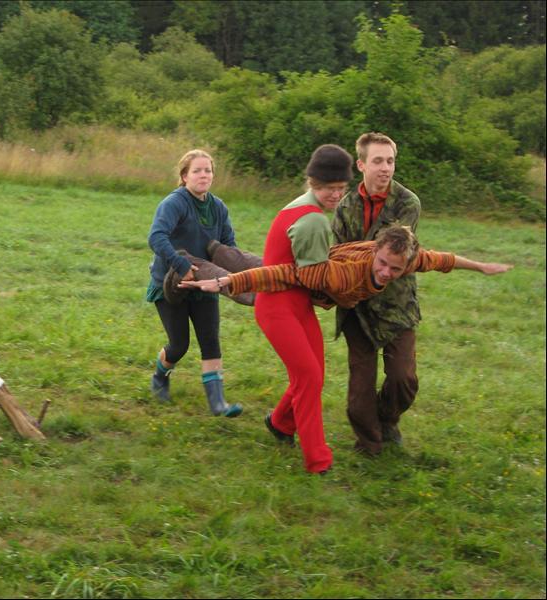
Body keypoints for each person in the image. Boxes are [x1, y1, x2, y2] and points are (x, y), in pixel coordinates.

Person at [233, 144, 355, 474]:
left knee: (313, 374)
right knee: (308, 378)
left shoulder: (304, 207)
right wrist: (349, 285)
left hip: (296, 304)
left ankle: (280, 423)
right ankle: (318, 460)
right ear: (313, 182)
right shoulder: (312, 220)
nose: (336, 195)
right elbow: (316, 277)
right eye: (330, 188)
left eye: (342, 188)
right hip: (278, 307)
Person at [331, 132, 422, 454]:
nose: (385, 168)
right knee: (360, 390)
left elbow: (391, 251)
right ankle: (369, 443)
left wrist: (358, 259)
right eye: (378, 161)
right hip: (357, 307)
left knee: (403, 379)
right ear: (361, 165)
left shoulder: (408, 203)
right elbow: (338, 255)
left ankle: (387, 419)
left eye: (390, 161)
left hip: (397, 304)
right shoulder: (345, 207)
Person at [180, 225, 513, 309]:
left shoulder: (408, 258)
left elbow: (444, 260)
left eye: (395, 270)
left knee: (253, 262)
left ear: (407, 264)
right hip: (306, 282)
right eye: (382, 264)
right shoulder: (346, 274)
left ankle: (209, 244)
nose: (386, 273)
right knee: (250, 289)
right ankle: (187, 258)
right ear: (376, 250)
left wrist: (481, 266)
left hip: (308, 267)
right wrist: (223, 284)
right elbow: (284, 275)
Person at [146, 149, 242, 417]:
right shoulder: (174, 203)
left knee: (210, 340)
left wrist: (233, 272)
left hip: (205, 285)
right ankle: (160, 377)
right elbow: (156, 237)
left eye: (208, 170)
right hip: (171, 284)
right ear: (184, 176)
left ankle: (218, 404)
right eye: (197, 170)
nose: (203, 175)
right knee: (179, 345)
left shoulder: (218, 207)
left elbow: (228, 245)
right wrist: (182, 266)